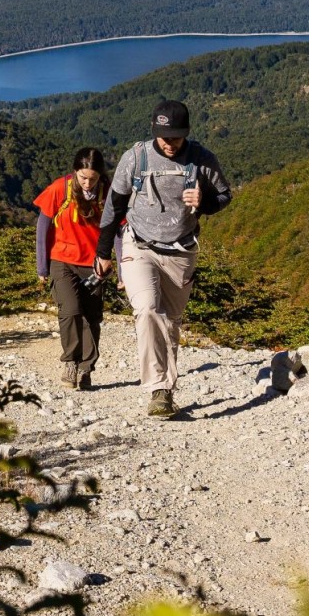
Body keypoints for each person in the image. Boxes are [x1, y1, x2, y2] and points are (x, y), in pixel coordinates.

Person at [96, 99, 233, 418]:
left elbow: (224, 196)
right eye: (163, 137)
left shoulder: (201, 159)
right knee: (147, 310)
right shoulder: (136, 158)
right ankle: (157, 388)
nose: (169, 143)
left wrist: (204, 201)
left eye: (175, 137)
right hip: (138, 245)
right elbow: (114, 207)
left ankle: (167, 391)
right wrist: (103, 252)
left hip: (182, 250)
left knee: (170, 320)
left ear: (186, 133)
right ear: (154, 132)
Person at [33, 148, 114, 390]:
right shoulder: (60, 188)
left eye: (93, 178)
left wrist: (116, 261)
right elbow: (42, 226)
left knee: (92, 317)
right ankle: (70, 361)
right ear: (75, 172)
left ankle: (85, 368)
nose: (88, 183)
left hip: (94, 263)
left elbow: (119, 230)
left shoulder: (107, 192)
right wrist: (42, 265)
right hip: (62, 259)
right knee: (70, 310)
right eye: (83, 177)